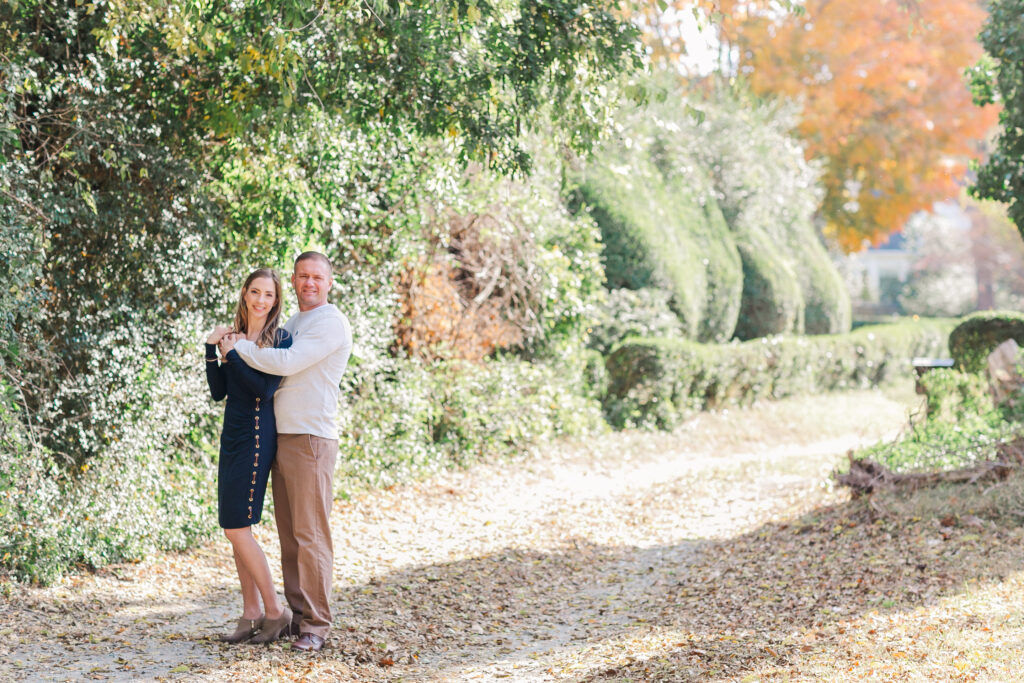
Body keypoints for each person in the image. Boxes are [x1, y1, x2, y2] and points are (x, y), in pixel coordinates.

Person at [220, 251, 352, 653]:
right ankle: (295, 617)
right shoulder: (295, 322)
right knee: (290, 536)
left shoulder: (331, 322)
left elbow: (289, 363)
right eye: (302, 277)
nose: (309, 283)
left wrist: (238, 351)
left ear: (329, 282)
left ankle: (316, 624)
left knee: (311, 535)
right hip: (282, 436)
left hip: (310, 437)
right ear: (293, 282)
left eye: (317, 277)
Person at [205, 268, 294, 644]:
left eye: (268, 295)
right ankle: (250, 613)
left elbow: (263, 391)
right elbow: (219, 392)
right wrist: (213, 351)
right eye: (254, 292)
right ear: (244, 294)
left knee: (236, 528)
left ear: (276, 301)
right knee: (235, 526)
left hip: (258, 435)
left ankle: (276, 611)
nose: (260, 300)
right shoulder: (234, 336)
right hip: (232, 435)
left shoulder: (281, 339)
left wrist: (235, 354)